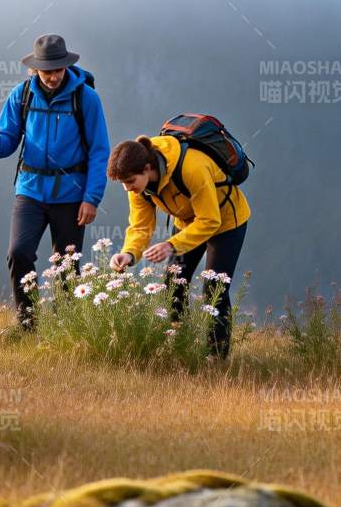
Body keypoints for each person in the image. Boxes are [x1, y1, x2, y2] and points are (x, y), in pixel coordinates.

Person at [0, 34, 109, 330]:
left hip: (72, 194)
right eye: (47, 70)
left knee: (65, 267)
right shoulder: (22, 95)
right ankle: (28, 324)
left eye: (58, 70)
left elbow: (100, 150)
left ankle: (63, 330)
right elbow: (8, 141)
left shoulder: (85, 98)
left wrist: (92, 198)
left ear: (66, 66)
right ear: (35, 68)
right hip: (30, 190)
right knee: (18, 253)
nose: (52, 77)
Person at [107, 134, 251, 357]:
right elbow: (140, 226)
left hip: (226, 222)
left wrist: (172, 245)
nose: (127, 188)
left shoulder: (191, 167)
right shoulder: (139, 187)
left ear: (147, 169)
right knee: (173, 284)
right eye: (123, 183)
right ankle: (180, 346)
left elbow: (210, 220)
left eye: (130, 182)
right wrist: (128, 253)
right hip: (186, 221)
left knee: (214, 288)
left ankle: (216, 357)